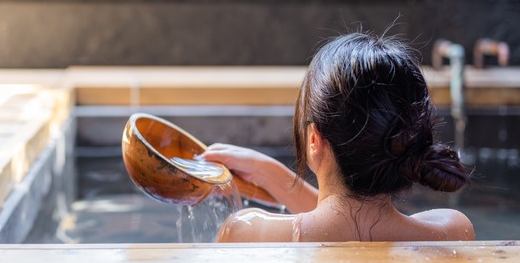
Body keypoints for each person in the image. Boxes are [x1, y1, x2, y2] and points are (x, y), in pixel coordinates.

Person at [202, 32, 475, 242]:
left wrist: (270, 172)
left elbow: (335, 223)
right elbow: (355, 223)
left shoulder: (245, 232)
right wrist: (269, 173)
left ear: (313, 139)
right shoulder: (453, 232)